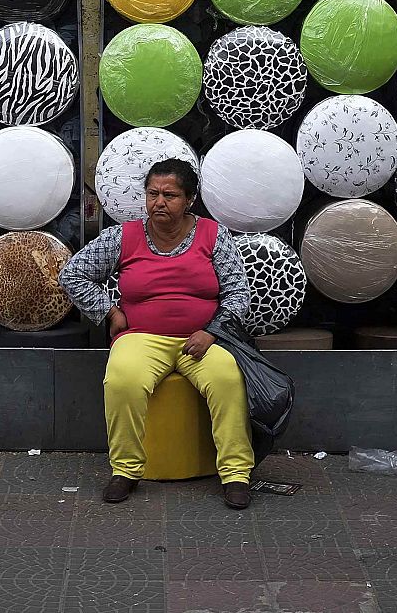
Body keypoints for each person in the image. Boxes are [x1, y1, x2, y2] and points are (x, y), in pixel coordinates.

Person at [58, 158, 255, 509]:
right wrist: (110, 311)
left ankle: (236, 474)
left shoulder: (213, 234)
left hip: (202, 339)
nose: (159, 202)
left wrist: (212, 331)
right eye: (152, 194)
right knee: (122, 379)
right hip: (142, 337)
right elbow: (73, 273)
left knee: (227, 379)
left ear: (190, 200)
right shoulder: (124, 235)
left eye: (170, 195)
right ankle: (125, 470)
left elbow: (238, 292)